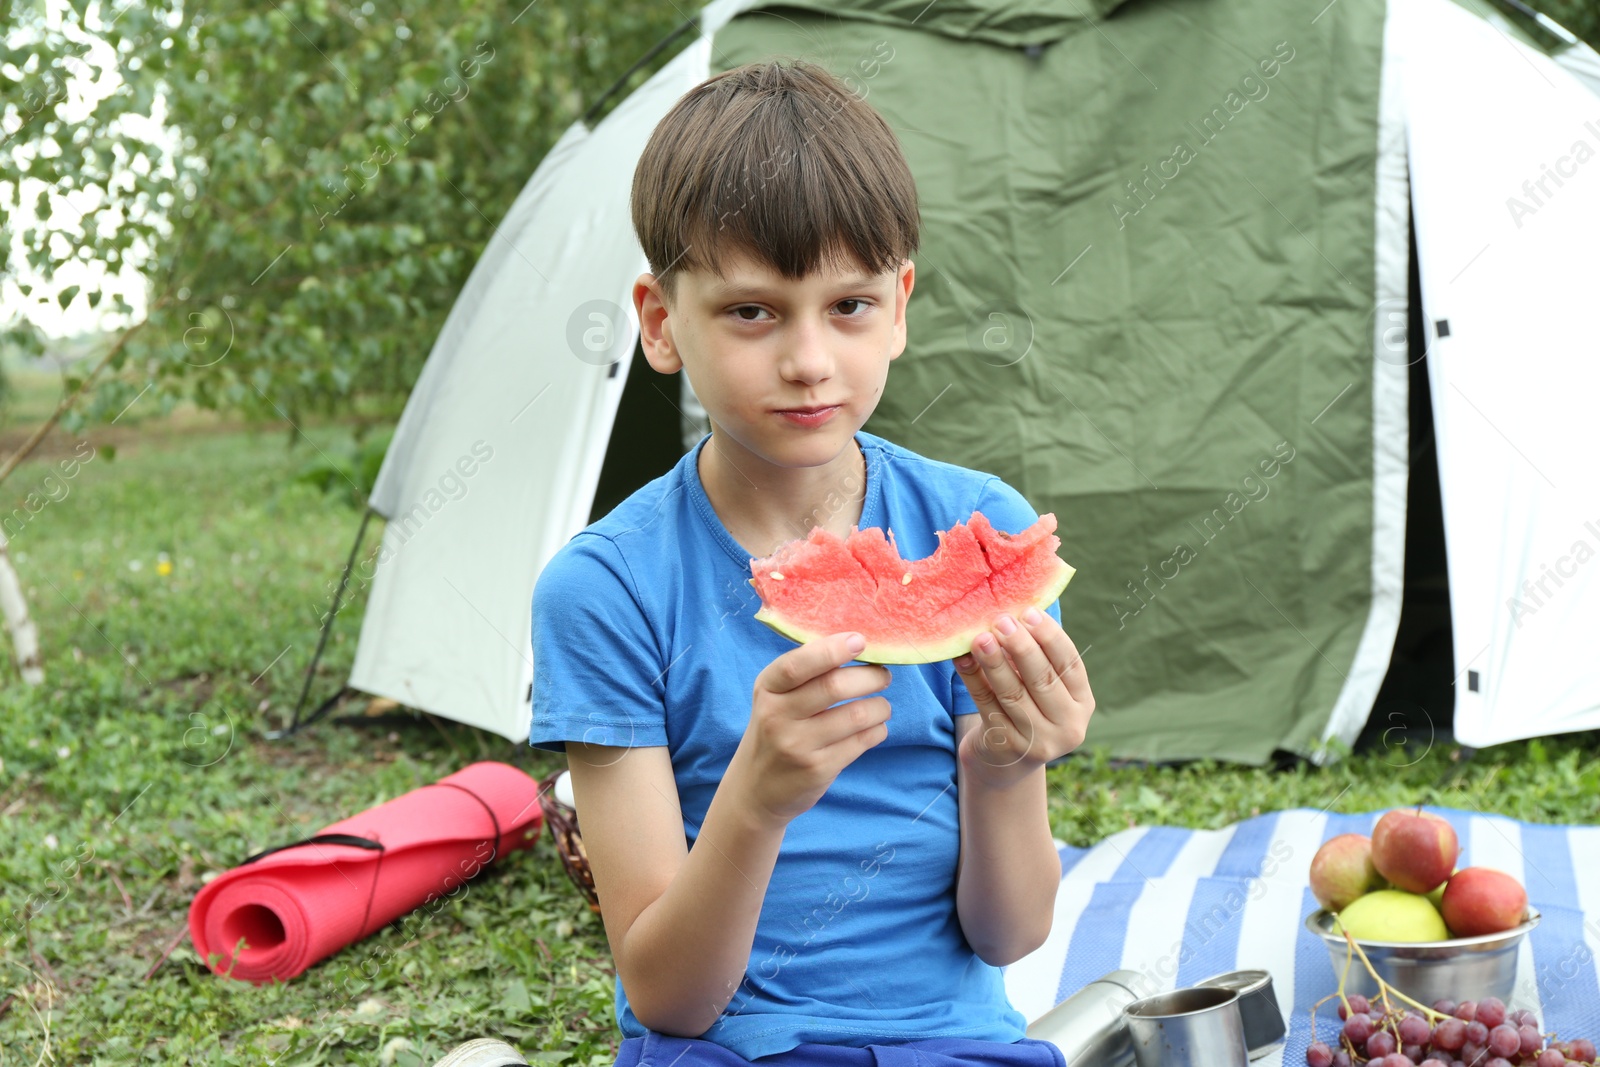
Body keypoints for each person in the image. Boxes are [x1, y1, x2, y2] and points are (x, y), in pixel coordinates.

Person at [434, 57, 1096, 1067]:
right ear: (661, 322)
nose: (808, 361)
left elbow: (1008, 935)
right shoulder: (604, 590)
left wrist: (1005, 764)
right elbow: (668, 995)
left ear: (901, 303)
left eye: (848, 306)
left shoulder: (977, 522)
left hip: (953, 1044)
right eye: (752, 311)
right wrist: (753, 799)